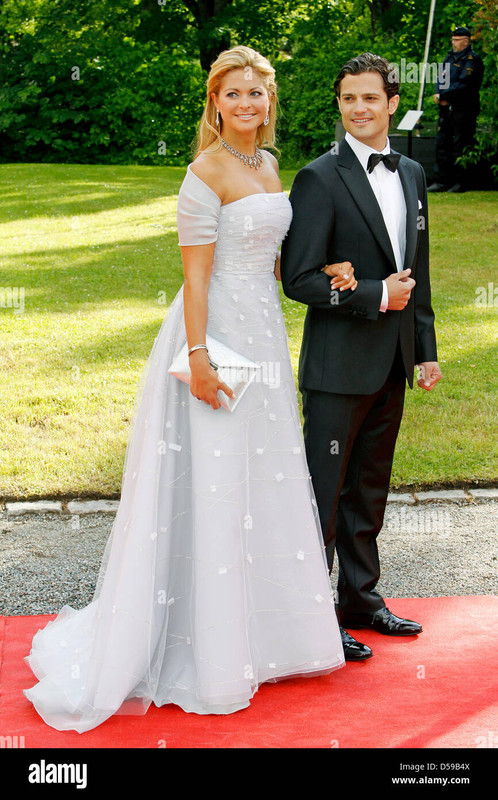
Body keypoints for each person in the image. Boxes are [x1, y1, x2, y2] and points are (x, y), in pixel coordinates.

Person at [23, 46, 347, 734]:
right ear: (215, 104)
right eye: (233, 95)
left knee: (260, 478)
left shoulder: (266, 165)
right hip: (215, 336)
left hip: (262, 336)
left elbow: (277, 257)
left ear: (269, 102)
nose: (246, 105)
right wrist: (198, 357)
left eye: (256, 94)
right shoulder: (204, 173)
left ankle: (265, 641)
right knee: (218, 480)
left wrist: (331, 267)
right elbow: (196, 278)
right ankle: (205, 650)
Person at [280, 52, 442, 662]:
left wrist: (424, 349)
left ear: (392, 102)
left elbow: (417, 273)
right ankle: (312, 619)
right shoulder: (319, 177)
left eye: (370, 97)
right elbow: (297, 278)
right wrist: (374, 294)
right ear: (340, 104)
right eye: (349, 99)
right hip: (337, 367)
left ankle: (361, 598)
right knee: (324, 494)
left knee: (369, 489)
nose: (359, 108)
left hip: (394, 361)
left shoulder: (412, 173)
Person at [428, 26, 484, 193]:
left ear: (466, 41)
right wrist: (439, 93)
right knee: (442, 143)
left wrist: (444, 96)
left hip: (463, 109)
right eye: (452, 39)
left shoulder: (472, 59)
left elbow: (464, 85)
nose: (453, 43)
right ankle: (442, 181)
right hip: (446, 108)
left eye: (456, 40)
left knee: (461, 144)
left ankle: (461, 182)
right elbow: (441, 77)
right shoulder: (449, 57)